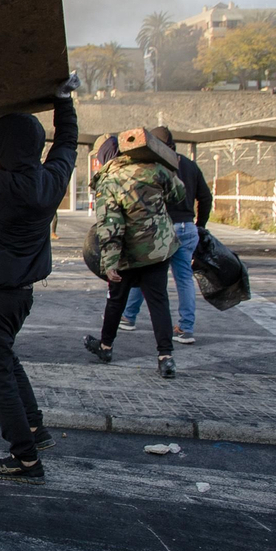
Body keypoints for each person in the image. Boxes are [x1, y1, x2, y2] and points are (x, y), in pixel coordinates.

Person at [0, 73, 81, 485]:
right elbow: (66, 145)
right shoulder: (50, 181)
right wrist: (62, 102)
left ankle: (25, 459)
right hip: (20, 295)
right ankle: (35, 428)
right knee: (6, 359)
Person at [83, 134, 186, 378]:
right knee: (158, 302)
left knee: (116, 300)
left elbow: (111, 226)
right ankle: (165, 357)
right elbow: (178, 194)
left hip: (127, 254)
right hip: (159, 250)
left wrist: (109, 263)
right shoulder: (155, 169)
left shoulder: (110, 181)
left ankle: (106, 347)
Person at [119, 126, 213, 345]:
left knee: (147, 273)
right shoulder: (190, 165)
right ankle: (186, 328)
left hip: (162, 229)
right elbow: (206, 198)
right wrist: (200, 225)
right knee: (184, 280)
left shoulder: (156, 167)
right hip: (188, 228)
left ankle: (128, 317)